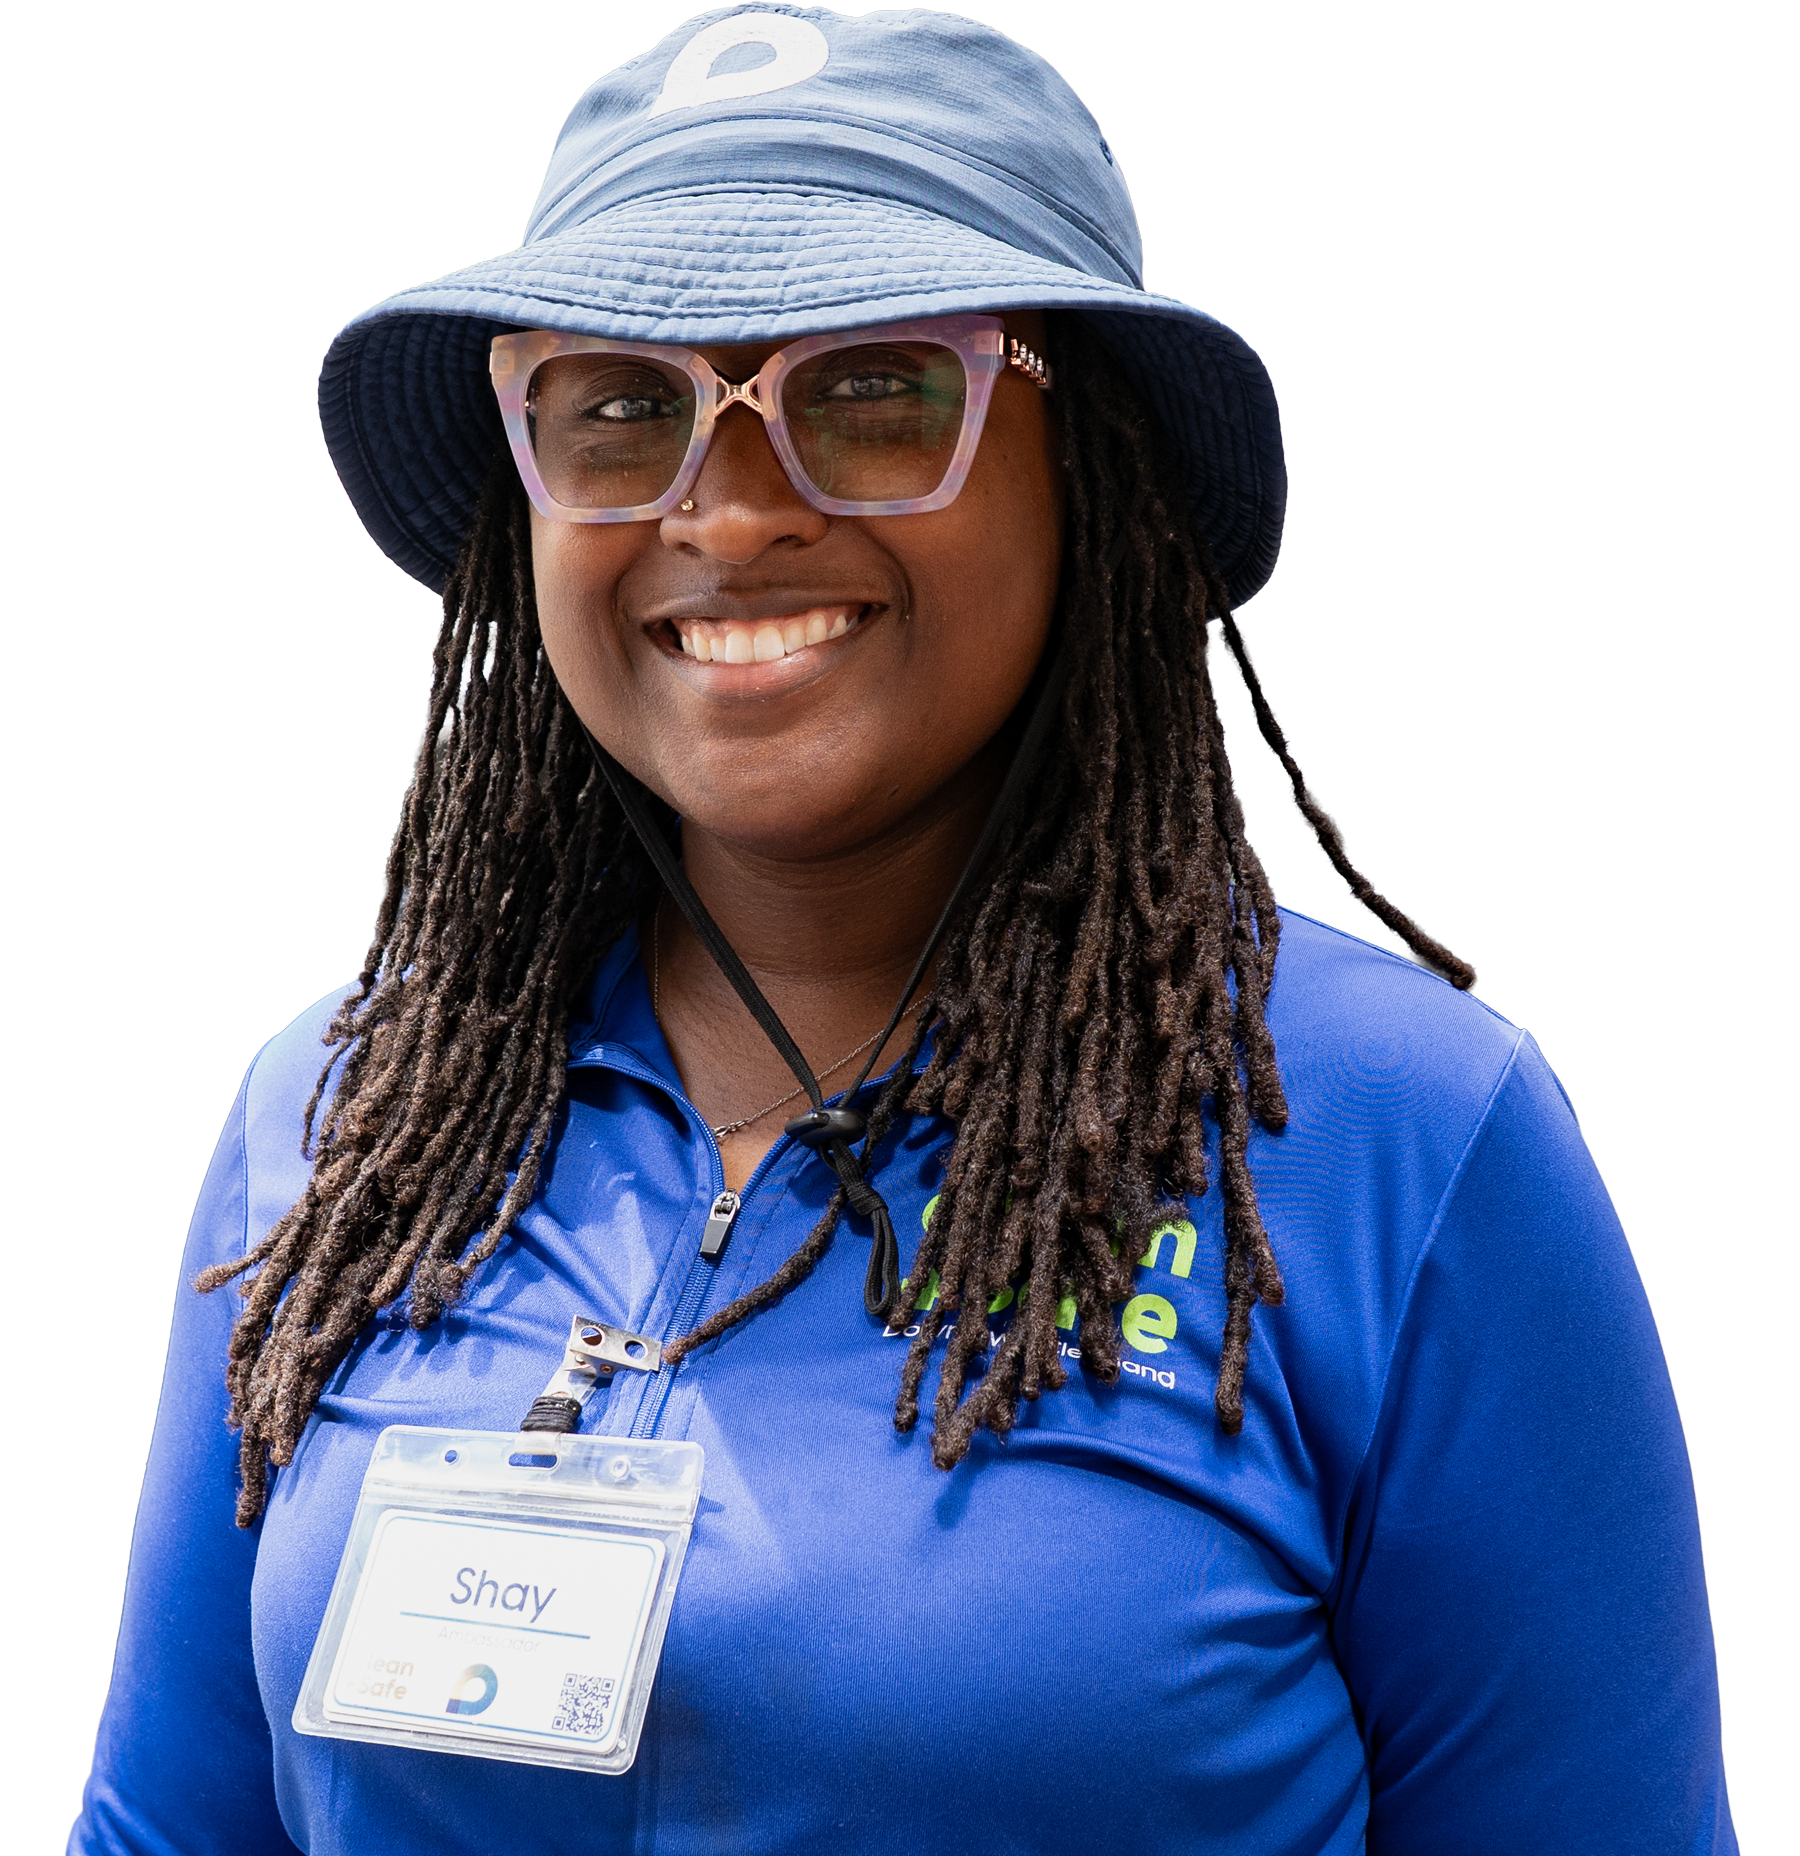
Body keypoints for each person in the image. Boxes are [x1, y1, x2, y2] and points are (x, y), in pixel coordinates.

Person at [71, 8, 1734, 1852]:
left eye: (874, 392)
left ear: (1089, 466)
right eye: (618, 406)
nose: (727, 513)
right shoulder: (345, 1125)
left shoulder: (1399, 1143)